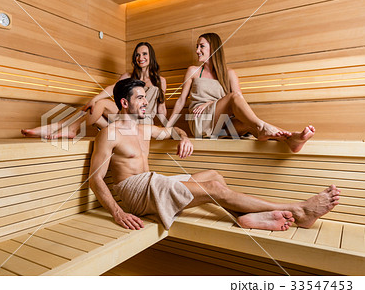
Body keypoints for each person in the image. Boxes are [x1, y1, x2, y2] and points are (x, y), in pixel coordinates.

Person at [89, 78, 340, 231]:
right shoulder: (110, 133)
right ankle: (299, 211)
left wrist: (184, 138)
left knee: (215, 176)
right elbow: (95, 179)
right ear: (124, 102)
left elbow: (173, 130)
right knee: (214, 189)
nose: (146, 102)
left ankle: (244, 218)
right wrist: (118, 212)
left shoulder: (145, 128)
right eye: (141, 98)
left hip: (153, 184)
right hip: (136, 193)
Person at [167, 33, 315, 153]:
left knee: (248, 125)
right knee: (236, 100)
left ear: (214, 48)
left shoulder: (229, 74)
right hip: (200, 121)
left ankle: (291, 140)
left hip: (221, 125)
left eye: (201, 46)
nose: (197, 50)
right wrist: (167, 128)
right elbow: (181, 101)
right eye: (197, 46)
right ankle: (265, 127)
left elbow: (239, 102)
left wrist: (212, 102)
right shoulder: (193, 71)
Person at [21, 42, 167, 139]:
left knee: (100, 105)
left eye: (144, 54)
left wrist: (166, 129)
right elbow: (112, 89)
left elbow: (161, 109)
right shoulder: (128, 76)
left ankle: (64, 128)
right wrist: (94, 99)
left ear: (151, 57)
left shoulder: (160, 81)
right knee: (95, 107)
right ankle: (58, 127)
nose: (140, 57)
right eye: (137, 54)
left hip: (143, 121)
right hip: (125, 118)